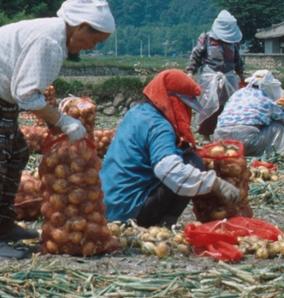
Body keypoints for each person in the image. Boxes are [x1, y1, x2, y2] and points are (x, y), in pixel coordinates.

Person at [0, 0, 113, 259]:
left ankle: (2, 224)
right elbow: (26, 95)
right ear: (80, 27)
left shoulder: (56, 38)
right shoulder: (49, 42)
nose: (92, 47)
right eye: (94, 40)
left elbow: (24, 91)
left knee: (16, 151)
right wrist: (62, 120)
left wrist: (57, 119)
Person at [101, 70, 243, 227]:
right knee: (192, 162)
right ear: (171, 101)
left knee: (186, 157)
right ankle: (166, 221)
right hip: (129, 211)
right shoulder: (160, 127)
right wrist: (216, 184)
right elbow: (169, 170)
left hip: (105, 206)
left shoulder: (136, 113)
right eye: (184, 106)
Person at [186, 10, 245, 138]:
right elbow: (196, 56)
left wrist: (242, 77)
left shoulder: (233, 43)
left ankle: (224, 134)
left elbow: (237, 60)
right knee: (208, 105)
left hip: (228, 78)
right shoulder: (206, 39)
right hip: (210, 77)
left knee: (227, 106)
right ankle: (206, 134)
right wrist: (190, 72)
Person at [214, 70, 284, 157]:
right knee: (278, 126)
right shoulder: (266, 98)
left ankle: (232, 152)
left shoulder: (238, 93)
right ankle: (271, 153)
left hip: (220, 140)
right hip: (246, 140)